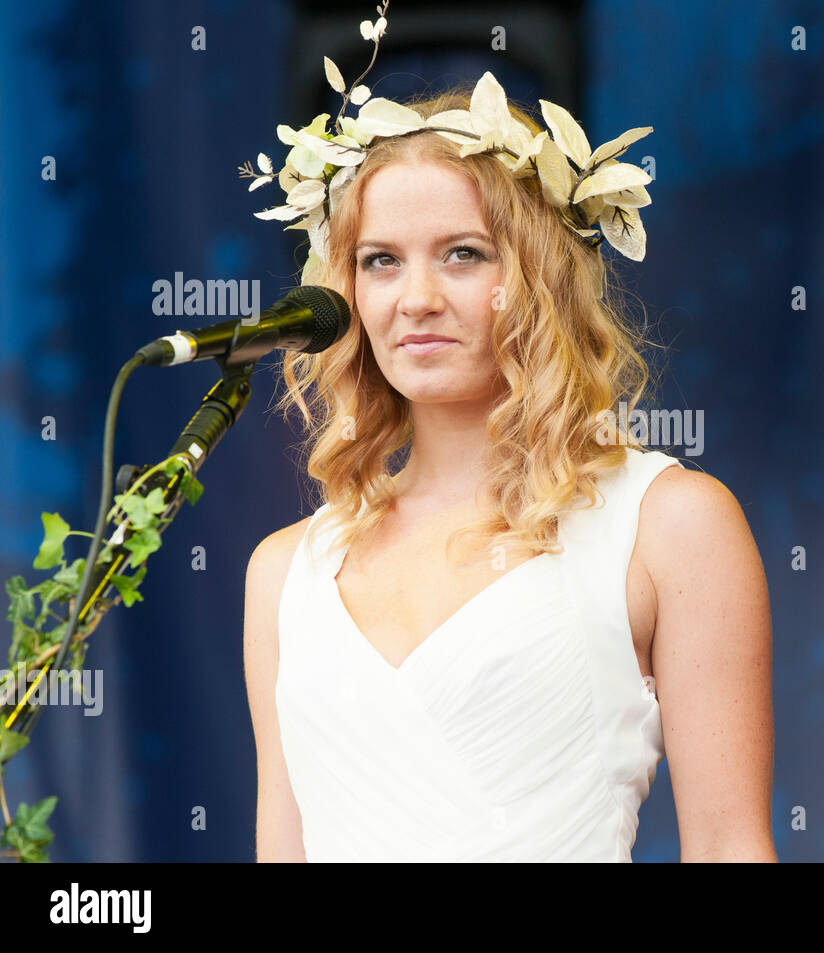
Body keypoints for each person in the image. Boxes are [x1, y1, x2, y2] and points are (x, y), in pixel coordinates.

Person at [239, 35, 774, 861]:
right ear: (344, 295)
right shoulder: (284, 573)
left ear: (538, 275)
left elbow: (727, 845)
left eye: (463, 253)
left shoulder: (669, 525)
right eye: (381, 261)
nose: (416, 298)